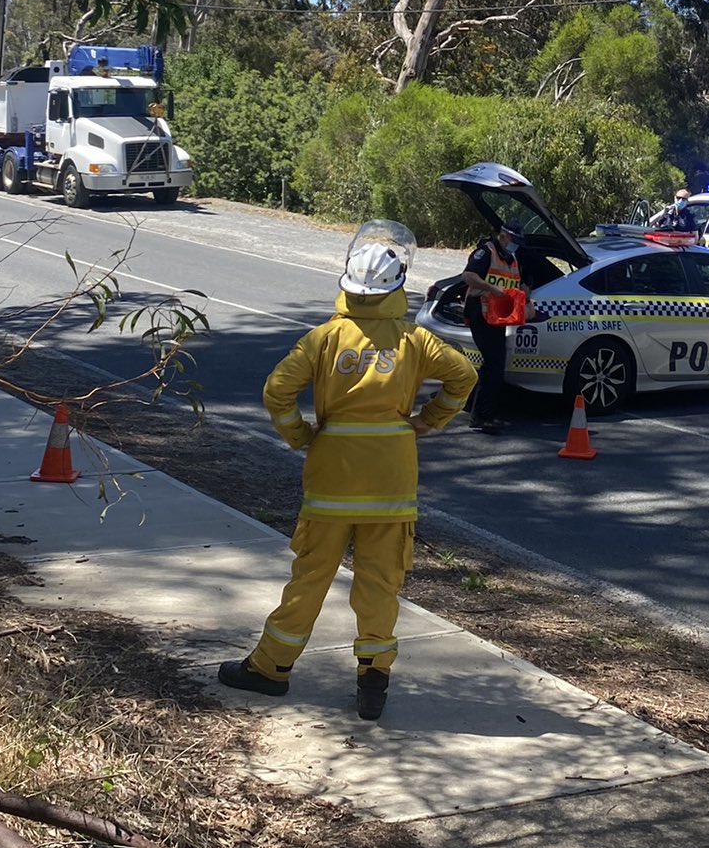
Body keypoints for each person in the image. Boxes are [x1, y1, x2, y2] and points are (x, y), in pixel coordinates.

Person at [216, 223, 477, 722]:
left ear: (348, 284)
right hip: (391, 482)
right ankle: (373, 679)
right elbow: (464, 375)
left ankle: (271, 668)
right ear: (397, 287)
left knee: (310, 578)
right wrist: (428, 420)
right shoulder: (415, 339)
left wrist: (300, 435)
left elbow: (277, 391)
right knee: (380, 583)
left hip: (331, 478)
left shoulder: (324, 338)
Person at [457, 222, 523, 433]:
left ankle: (480, 412)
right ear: (503, 236)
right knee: (494, 365)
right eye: (514, 240)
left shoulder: (513, 260)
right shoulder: (486, 253)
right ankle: (482, 416)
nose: (516, 245)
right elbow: (468, 276)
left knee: (493, 365)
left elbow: (517, 285)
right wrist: (491, 288)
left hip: (497, 318)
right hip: (480, 312)